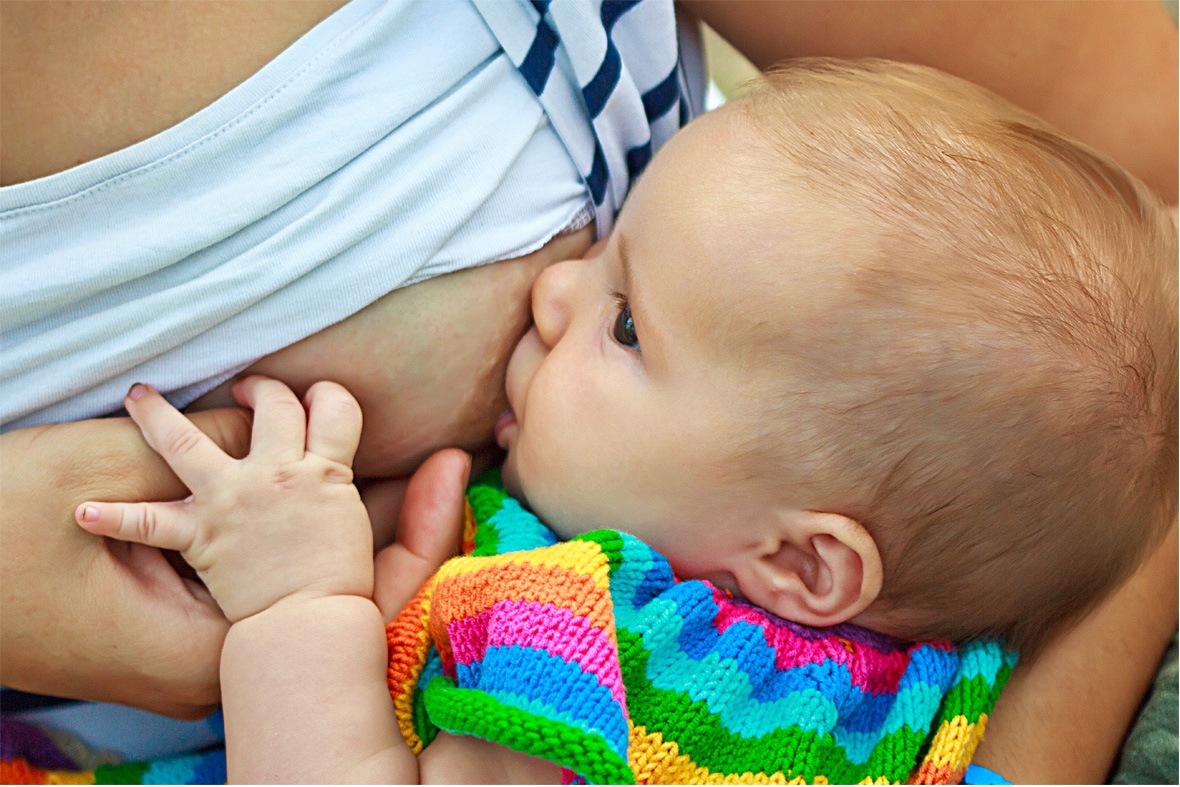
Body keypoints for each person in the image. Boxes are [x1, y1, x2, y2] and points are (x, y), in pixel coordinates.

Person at [1, 1, 1176, 782]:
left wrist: (296, 611)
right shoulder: (928, 692)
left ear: (807, 564)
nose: (558, 292)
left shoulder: (596, 666)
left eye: (622, 325)